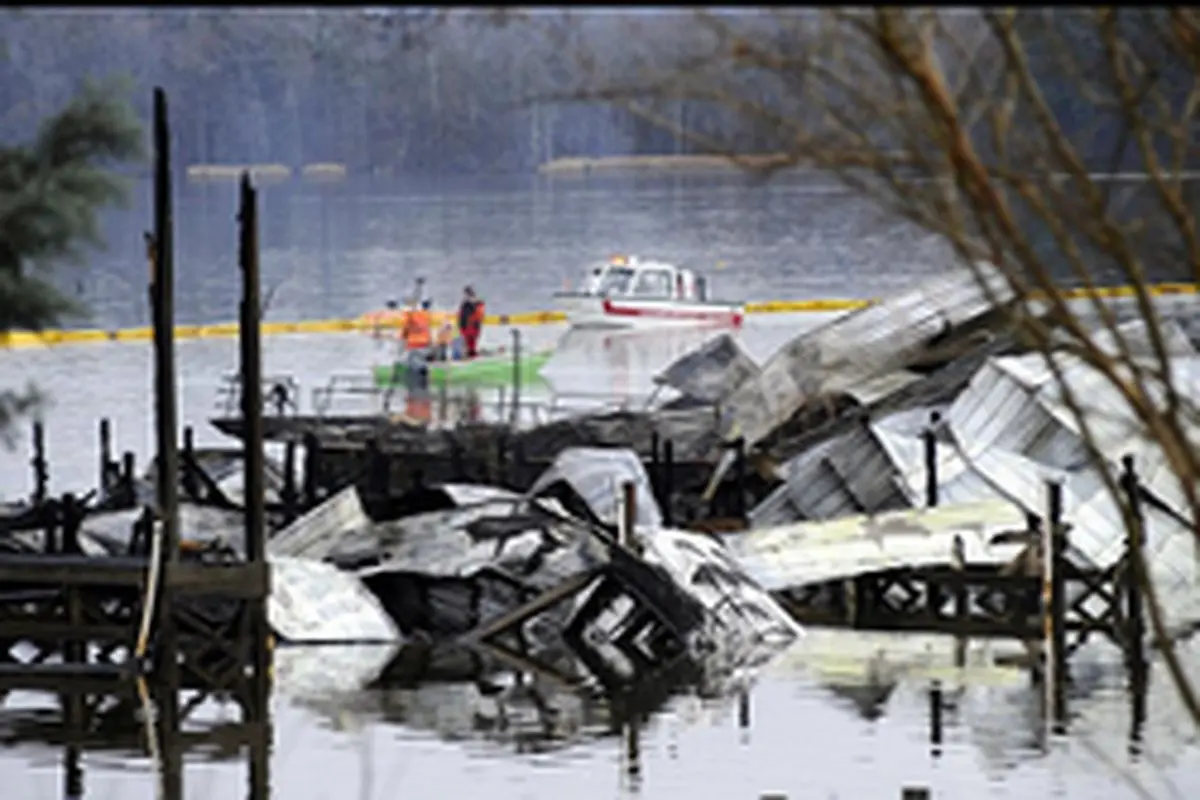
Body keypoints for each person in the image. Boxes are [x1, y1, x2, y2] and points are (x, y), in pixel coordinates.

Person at [458, 286, 485, 359]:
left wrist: (461, 326)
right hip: (475, 325)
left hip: (469, 325)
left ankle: (470, 354)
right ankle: (472, 354)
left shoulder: (467, 303)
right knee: (472, 342)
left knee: (469, 342)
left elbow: (463, 315)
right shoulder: (479, 302)